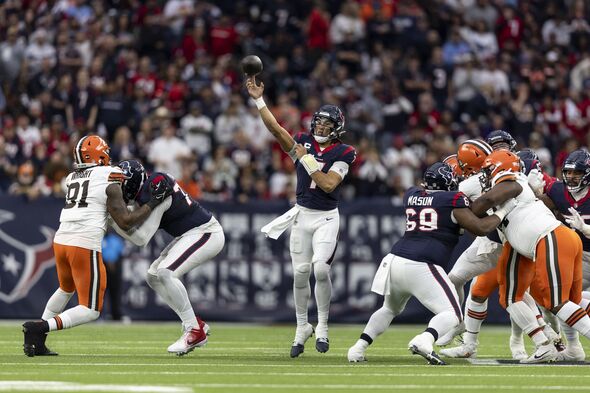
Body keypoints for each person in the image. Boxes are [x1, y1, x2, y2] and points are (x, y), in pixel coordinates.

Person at [347, 162, 516, 364]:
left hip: (394, 260)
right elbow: (480, 228)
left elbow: (424, 193)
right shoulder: (453, 199)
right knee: (453, 314)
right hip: (422, 264)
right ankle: (425, 340)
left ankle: (358, 348)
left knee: (388, 309)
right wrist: (503, 211)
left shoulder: (411, 195)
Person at [22, 135, 172, 357]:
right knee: (91, 309)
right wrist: (152, 202)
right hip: (84, 242)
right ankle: (40, 328)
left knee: (66, 289)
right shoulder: (109, 174)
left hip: (61, 239)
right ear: (99, 154)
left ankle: (38, 342)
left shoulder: (72, 177)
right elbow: (126, 220)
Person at [246, 76, 357, 357]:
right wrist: (259, 100)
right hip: (302, 214)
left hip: (326, 217)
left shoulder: (344, 152)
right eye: (318, 123)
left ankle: (323, 326)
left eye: (326, 125)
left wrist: (306, 160)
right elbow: (275, 129)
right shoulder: (302, 140)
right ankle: (301, 326)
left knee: (321, 269)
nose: (320, 127)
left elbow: (329, 184)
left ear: (337, 130)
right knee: (300, 272)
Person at [470, 150, 590, 363]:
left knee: (557, 302)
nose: (485, 173)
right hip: (547, 242)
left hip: (551, 238)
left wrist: (460, 208)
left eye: (489, 168)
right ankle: (555, 346)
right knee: (517, 297)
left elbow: (481, 205)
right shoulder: (533, 189)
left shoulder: (511, 181)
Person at [111, 159, 225, 356]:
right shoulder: (150, 187)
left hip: (207, 232)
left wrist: (110, 220)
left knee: (166, 273)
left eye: (121, 184)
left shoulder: (156, 187)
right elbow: (132, 222)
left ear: (131, 183)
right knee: (153, 276)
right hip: (190, 234)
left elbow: (141, 238)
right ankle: (194, 324)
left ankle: (194, 330)